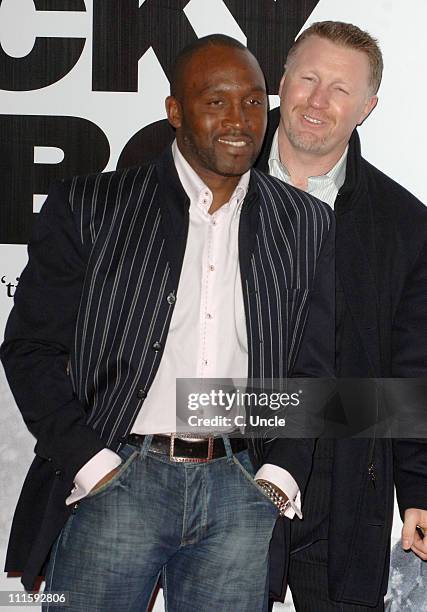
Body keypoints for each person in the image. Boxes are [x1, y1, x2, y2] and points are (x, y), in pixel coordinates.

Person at [1, 35, 334, 611]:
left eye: (254, 102)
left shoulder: (305, 223)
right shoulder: (92, 206)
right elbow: (30, 347)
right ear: (175, 110)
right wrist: (90, 461)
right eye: (217, 101)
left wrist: (281, 469)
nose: (239, 120)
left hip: (241, 488)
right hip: (116, 479)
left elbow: (316, 361)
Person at [256, 20, 427, 611]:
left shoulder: (403, 225)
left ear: (368, 107)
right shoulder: (210, 187)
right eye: (308, 79)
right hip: (221, 458)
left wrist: (420, 490)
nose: (317, 101)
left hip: (344, 473)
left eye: (341, 90)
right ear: (281, 80)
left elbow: (411, 370)